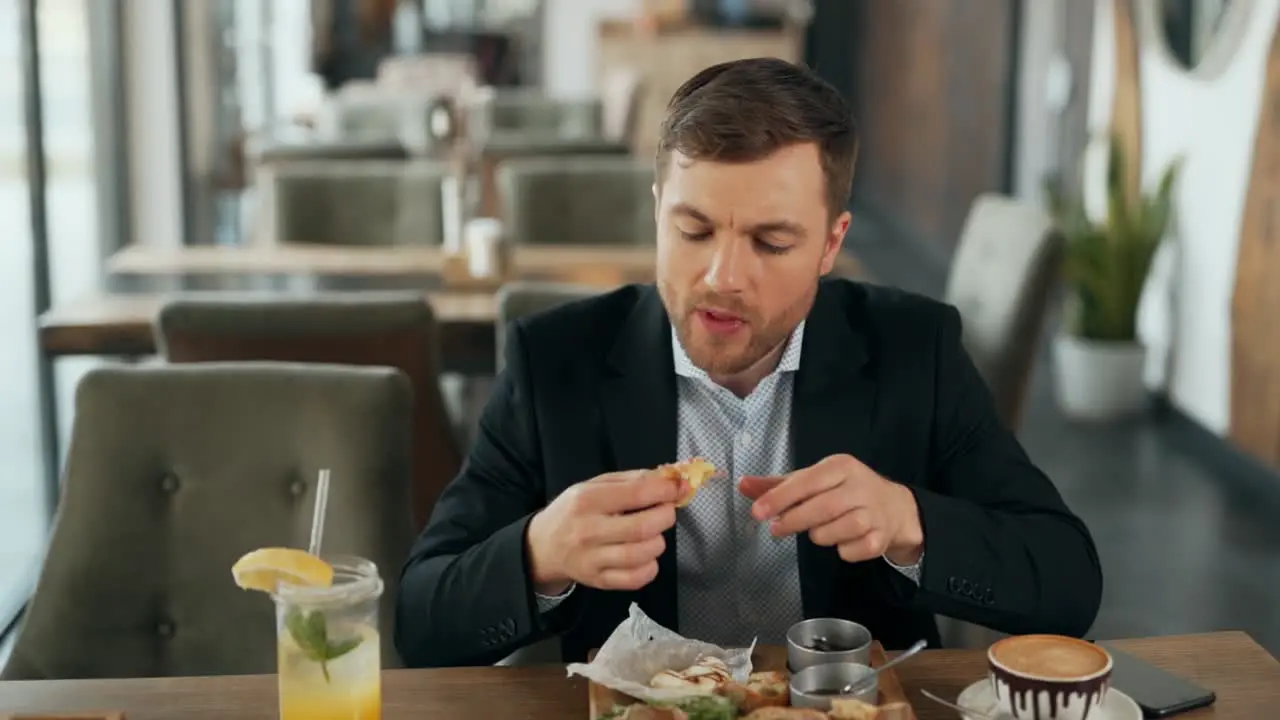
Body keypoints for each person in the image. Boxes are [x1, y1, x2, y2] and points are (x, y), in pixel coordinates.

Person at [395, 58, 1103, 667]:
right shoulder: (554, 362)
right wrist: (536, 555)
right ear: (657, 212)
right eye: (694, 231)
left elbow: (1069, 583)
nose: (721, 277)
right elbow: (421, 623)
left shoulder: (914, 352)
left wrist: (908, 520)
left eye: (770, 242)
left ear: (831, 244)